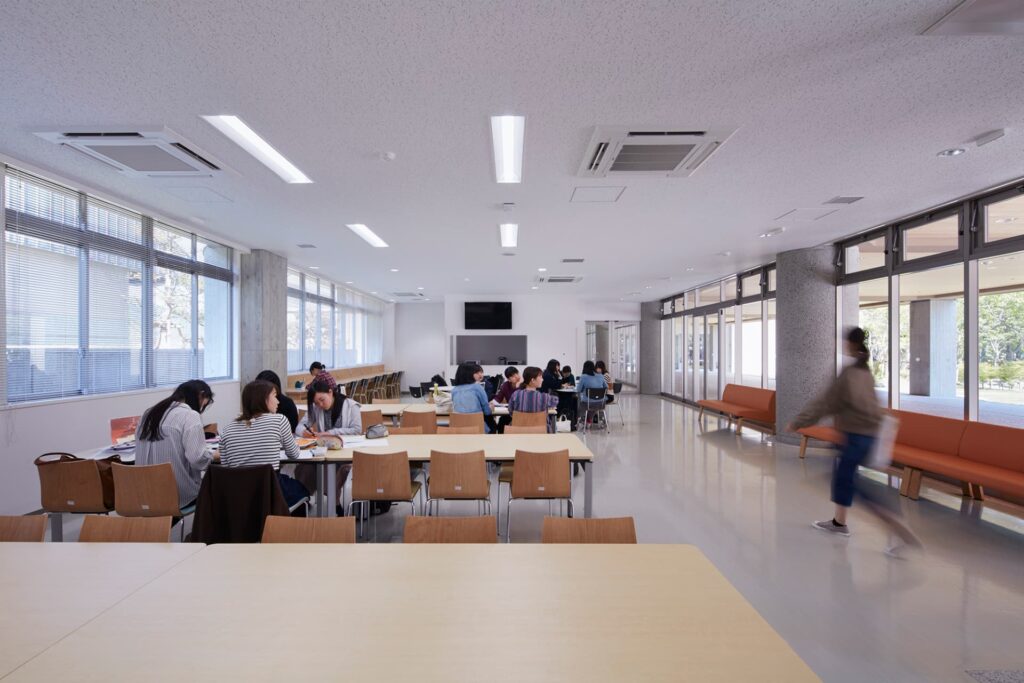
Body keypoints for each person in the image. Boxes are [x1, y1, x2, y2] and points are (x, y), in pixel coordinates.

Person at [788, 327, 921, 555]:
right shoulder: (865, 372)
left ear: (850, 344)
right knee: (843, 478)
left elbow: (826, 403)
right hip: (867, 435)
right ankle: (839, 522)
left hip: (855, 437)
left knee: (854, 485)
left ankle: (896, 527)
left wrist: (798, 422)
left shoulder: (850, 374)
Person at [219, 380, 308, 508]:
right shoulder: (279, 420)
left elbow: (226, 468)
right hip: (271, 494)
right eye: (274, 396)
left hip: (238, 499)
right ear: (263, 399)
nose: (278, 401)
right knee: (301, 489)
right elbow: (294, 454)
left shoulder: (227, 429)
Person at [135, 380, 214, 510]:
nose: (201, 409)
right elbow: (197, 459)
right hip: (176, 496)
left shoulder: (149, 413)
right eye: (204, 404)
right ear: (201, 395)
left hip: (144, 496)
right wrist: (213, 456)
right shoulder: (190, 415)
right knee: (218, 489)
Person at [297, 372, 362, 436]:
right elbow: (299, 427)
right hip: (323, 443)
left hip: (346, 443)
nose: (320, 405)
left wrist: (331, 433)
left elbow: (357, 430)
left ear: (330, 392)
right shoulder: (316, 407)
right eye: (316, 403)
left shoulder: (351, 405)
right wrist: (303, 431)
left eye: (322, 400)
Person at [508, 366, 560, 432]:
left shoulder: (515, 394)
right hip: (540, 432)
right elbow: (556, 400)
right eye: (540, 377)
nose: (542, 379)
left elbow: (511, 412)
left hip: (519, 432)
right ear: (532, 380)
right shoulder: (544, 397)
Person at [451, 362, 496, 433]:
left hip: (459, 429)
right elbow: (487, 412)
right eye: (475, 372)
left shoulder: (454, 390)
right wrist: (490, 407)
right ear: (469, 374)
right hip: (477, 428)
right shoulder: (477, 387)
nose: (478, 375)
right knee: (492, 424)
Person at [576, 360, 608, 425]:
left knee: (579, 398)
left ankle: (582, 418)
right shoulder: (601, 376)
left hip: (588, 404)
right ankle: (588, 418)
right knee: (591, 402)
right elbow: (606, 387)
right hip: (601, 403)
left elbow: (578, 390)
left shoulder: (583, 377)